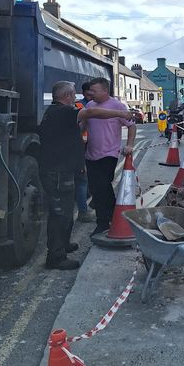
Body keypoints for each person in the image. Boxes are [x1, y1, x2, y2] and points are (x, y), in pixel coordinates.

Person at [39, 81, 133, 270]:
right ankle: (55, 257)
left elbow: (76, 133)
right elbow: (89, 115)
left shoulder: (55, 112)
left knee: (66, 210)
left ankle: (64, 245)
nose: (77, 97)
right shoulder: (63, 112)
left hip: (65, 168)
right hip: (58, 171)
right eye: (73, 94)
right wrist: (121, 114)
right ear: (66, 96)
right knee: (60, 214)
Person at [84, 78, 136, 236]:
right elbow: (84, 125)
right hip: (91, 154)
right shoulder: (89, 106)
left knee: (103, 185)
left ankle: (102, 222)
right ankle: (115, 214)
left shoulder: (118, 106)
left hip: (109, 153)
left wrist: (130, 145)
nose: (90, 93)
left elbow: (131, 125)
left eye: (94, 91)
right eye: (90, 91)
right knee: (96, 189)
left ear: (105, 91)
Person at [74, 81, 95, 223]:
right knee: (82, 179)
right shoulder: (78, 106)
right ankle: (83, 211)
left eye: (93, 93)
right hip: (81, 146)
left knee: (93, 177)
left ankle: (92, 203)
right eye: (88, 94)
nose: (91, 96)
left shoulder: (98, 104)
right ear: (83, 93)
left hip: (95, 145)